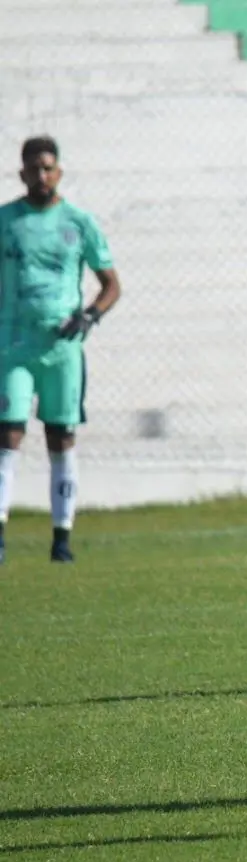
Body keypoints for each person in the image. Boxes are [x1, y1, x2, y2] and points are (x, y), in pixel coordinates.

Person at [0, 136, 121, 563]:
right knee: (8, 432)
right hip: (13, 346)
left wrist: (89, 316)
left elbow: (111, 285)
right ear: (22, 174)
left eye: (48, 167)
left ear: (59, 172)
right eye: (34, 168)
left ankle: (62, 538)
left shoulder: (77, 223)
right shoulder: (6, 220)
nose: (41, 175)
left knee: (62, 436)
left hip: (62, 348)